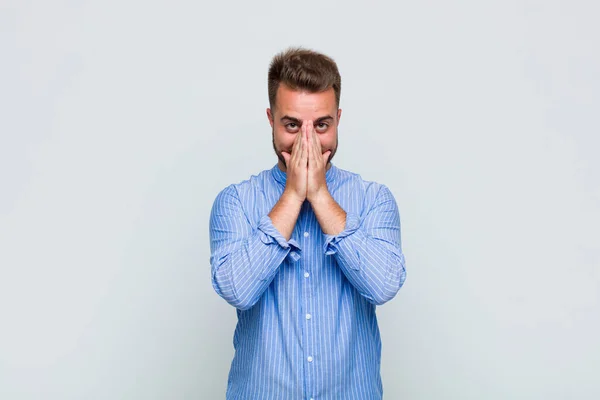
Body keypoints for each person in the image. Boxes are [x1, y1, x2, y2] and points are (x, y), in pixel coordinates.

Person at [209, 47, 407, 400]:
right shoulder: (235, 202)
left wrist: (319, 195)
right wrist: (292, 196)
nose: (307, 141)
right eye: (291, 125)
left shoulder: (374, 199)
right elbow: (236, 290)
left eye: (321, 125)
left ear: (338, 119)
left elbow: (384, 285)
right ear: (271, 119)